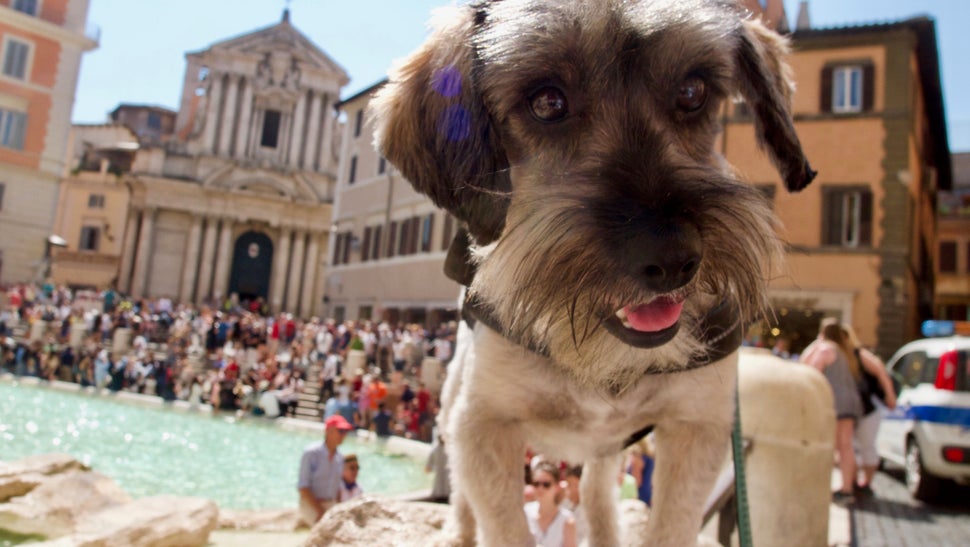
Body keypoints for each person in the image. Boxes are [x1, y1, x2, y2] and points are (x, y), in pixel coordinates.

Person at [800, 318, 863, 504]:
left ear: (823, 332)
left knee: (828, 445)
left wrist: (815, 345)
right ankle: (847, 488)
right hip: (850, 403)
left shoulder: (825, 348)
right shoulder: (844, 352)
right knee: (846, 446)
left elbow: (809, 371)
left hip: (834, 402)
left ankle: (821, 487)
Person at [842, 324, 897, 494]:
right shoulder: (840, 356)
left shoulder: (859, 354)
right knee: (852, 447)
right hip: (854, 409)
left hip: (868, 409)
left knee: (867, 446)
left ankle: (867, 483)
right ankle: (854, 481)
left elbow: (881, 372)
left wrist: (890, 395)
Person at [297, 414, 355, 526]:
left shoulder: (340, 458)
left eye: (345, 432)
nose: (344, 435)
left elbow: (338, 487)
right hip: (310, 505)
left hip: (330, 505)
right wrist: (319, 510)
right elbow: (303, 487)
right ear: (329, 431)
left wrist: (337, 508)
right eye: (341, 431)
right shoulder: (311, 453)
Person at [524, 460, 577, 547]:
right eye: (536, 484)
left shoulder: (567, 521)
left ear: (557, 487)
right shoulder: (524, 513)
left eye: (546, 484)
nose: (540, 488)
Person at [425, 435, 451, 503]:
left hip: (440, 485)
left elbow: (428, 466)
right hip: (446, 486)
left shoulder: (435, 450)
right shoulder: (449, 449)